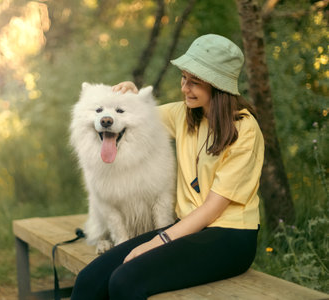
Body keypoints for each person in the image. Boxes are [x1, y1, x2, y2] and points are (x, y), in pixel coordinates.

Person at [70, 33, 265, 300]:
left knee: (124, 281)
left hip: (228, 237)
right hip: (185, 229)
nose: (185, 88)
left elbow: (212, 209)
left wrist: (157, 241)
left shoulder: (244, 129)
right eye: (184, 78)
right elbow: (137, 118)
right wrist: (130, 95)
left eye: (194, 83)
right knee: (89, 281)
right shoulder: (184, 114)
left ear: (218, 86)